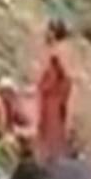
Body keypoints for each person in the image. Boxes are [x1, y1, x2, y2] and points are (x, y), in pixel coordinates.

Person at [35, 18, 73, 161]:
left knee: (52, 129)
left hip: (53, 98)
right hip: (51, 97)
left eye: (50, 31)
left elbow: (65, 76)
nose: (46, 34)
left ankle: (52, 157)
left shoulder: (57, 53)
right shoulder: (55, 52)